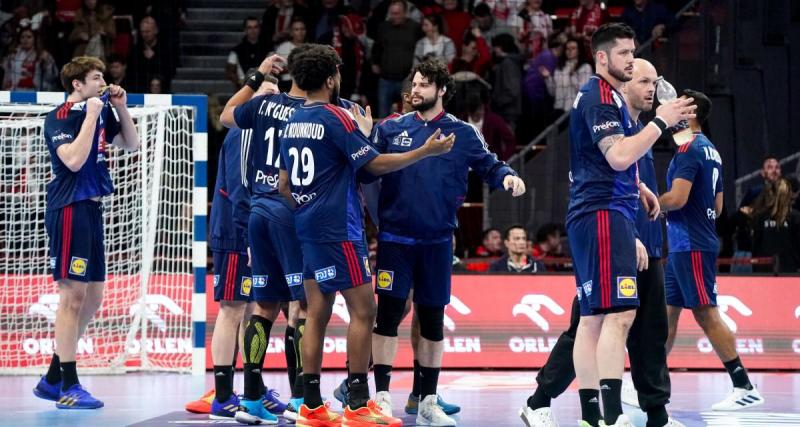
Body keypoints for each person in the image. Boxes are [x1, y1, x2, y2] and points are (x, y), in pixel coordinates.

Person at [525, 23, 692, 427]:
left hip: (609, 214)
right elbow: (616, 157)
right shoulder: (600, 97)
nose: (631, 60)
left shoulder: (612, 103)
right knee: (614, 318)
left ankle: (594, 417)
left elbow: (611, 164)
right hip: (601, 216)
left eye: (634, 52)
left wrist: (638, 189)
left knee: (597, 320)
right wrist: (662, 122)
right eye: (625, 55)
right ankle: (606, 414)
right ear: (602, 57)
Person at [278, 44, 454, 427]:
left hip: (307, 227)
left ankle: (310, 404)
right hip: (339, 229)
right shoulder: (335, 118)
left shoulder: (291, 120)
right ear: (330, 78)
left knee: (316, 314)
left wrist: (310, 206)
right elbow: (373, 163)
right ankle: (358, 403)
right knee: (365, 311)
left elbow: (284, 185)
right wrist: (423, 151)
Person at [369, 57, 525, 426]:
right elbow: (367, 168)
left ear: (441, 90)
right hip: (395, 239)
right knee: (388, 316)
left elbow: (491, 165)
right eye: (414, 83)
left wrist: (508, 177)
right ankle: (381, 397)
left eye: (424, 84)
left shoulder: (463, 133)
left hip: (438, 241)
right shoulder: (390, 128)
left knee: (433, 321)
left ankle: (427, 401)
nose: (416, 90)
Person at [33, 56, 139, 409]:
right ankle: (68, 384)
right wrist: (92, 115)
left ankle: (52, 377)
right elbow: (74, 161)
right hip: (68, 209)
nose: (103, 83)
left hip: (93, 209)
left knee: (93, 298)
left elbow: (132, 143)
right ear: (77, 84)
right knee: (72, 298)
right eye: (96, 78)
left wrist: (120, 109)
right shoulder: (60, 117)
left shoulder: (104, 109)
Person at [218, 53, 311, 423]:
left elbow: (226, 115)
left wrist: (256, 78)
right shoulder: (314, 113)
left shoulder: (264, 106)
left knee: (263, 306)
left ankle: (251, 398)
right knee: (301, 308)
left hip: (259, 214)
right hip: (289, 213)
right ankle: (302, 399)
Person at [659, 89, 765, 411]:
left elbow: (676, 199)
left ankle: (744, 385)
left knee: (706, 314)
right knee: (667, 313)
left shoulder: (690, 149)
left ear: (690, 114)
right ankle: (650, 381)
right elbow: (718, 208)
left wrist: (647, 201)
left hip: (690, 244)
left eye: (679, 105)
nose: (672, 109)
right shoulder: (711, 150)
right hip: (686, 243)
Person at [371, 0, 422, 117]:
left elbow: (420, 49)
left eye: (397, 13)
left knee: (410, 115)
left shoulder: (415, 28)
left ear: (405, 13)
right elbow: (376, 47)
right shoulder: (384, 27)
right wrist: (374, 63)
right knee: (383, 115)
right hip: (386, 78)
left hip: (407, 79)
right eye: (392, 13)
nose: (394, 16)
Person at [750, 178, 800, 273]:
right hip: (784, 272)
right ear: (789, 195)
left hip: (778, 272)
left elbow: (755, 247)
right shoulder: (761, 217)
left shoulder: (795, 217)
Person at [541, 37, 592, 114]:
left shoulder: (585, 67)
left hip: (575, 111)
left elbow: (584, 93)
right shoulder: (559, 68)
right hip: (558, 110)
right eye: (567, 48)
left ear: (579, 51)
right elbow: (553, 93)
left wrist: (573, 76)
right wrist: (547, 78)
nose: (569, 51)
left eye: (573, 48)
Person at [1, 26, 59, 91]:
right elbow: (7, 76)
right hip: (16, 93)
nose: (25, 40)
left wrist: (47, 63)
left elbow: (52, 77)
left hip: (36, 93)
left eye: (29, 37)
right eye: (22, 37)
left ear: (35, 39)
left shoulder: (43, 54)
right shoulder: (13, 55)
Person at [226, 17, 269, 90]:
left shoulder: (268, 49)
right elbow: (229, 72)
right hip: (244, 87)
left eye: (255, 27)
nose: (253, 30)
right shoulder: (236, 51)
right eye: (249, 27)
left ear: (259, 29)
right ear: (245, 30)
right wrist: (240, 81)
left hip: (264, 87)